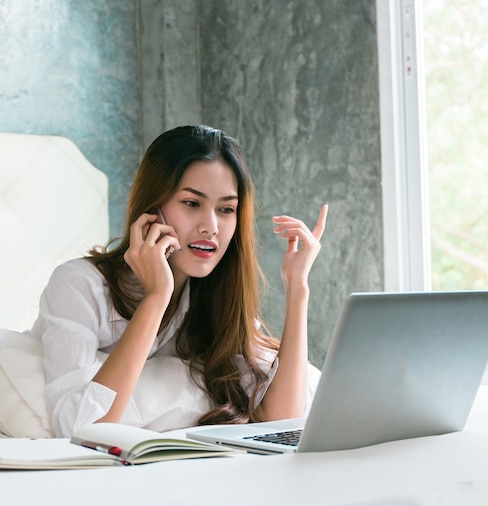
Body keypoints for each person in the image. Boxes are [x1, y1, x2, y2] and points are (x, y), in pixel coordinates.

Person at [28, 125, 328, 437]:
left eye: (226, 209)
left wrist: (297, 287)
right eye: (191, 203)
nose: (210, 227)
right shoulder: (78, 285)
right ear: (152, 207)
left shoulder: (213, 295)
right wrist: (156, 297)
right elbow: (75, 428)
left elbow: (281, 417)